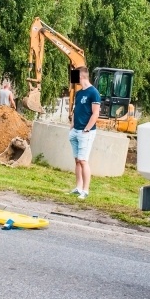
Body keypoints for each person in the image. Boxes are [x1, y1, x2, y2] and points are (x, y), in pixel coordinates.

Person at [67, 66, 101, 200]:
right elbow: (76, 110)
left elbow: (95, 113)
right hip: (75, 131)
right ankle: (78, 187)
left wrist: (87, 129)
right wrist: (72, 125)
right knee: (77, 160)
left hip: (85, 132)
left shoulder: (94, 93)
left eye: (75, 75)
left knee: (83, 160)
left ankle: (85, 190)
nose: (73, 79)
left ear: (81, 76)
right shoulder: (79, 93)